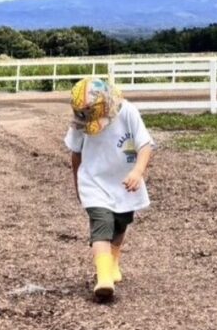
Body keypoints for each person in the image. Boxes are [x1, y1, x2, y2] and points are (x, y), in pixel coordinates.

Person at [63, 77, 154, 301]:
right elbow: (76, 154)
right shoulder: (81, 123)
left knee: (121, 222)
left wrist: (138, 171)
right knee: (102, 223)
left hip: (124, 181)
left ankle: (112, 261)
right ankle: (103, 278)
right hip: (93, 182)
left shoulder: (128, 112)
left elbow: (145, 144)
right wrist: (79, 185)